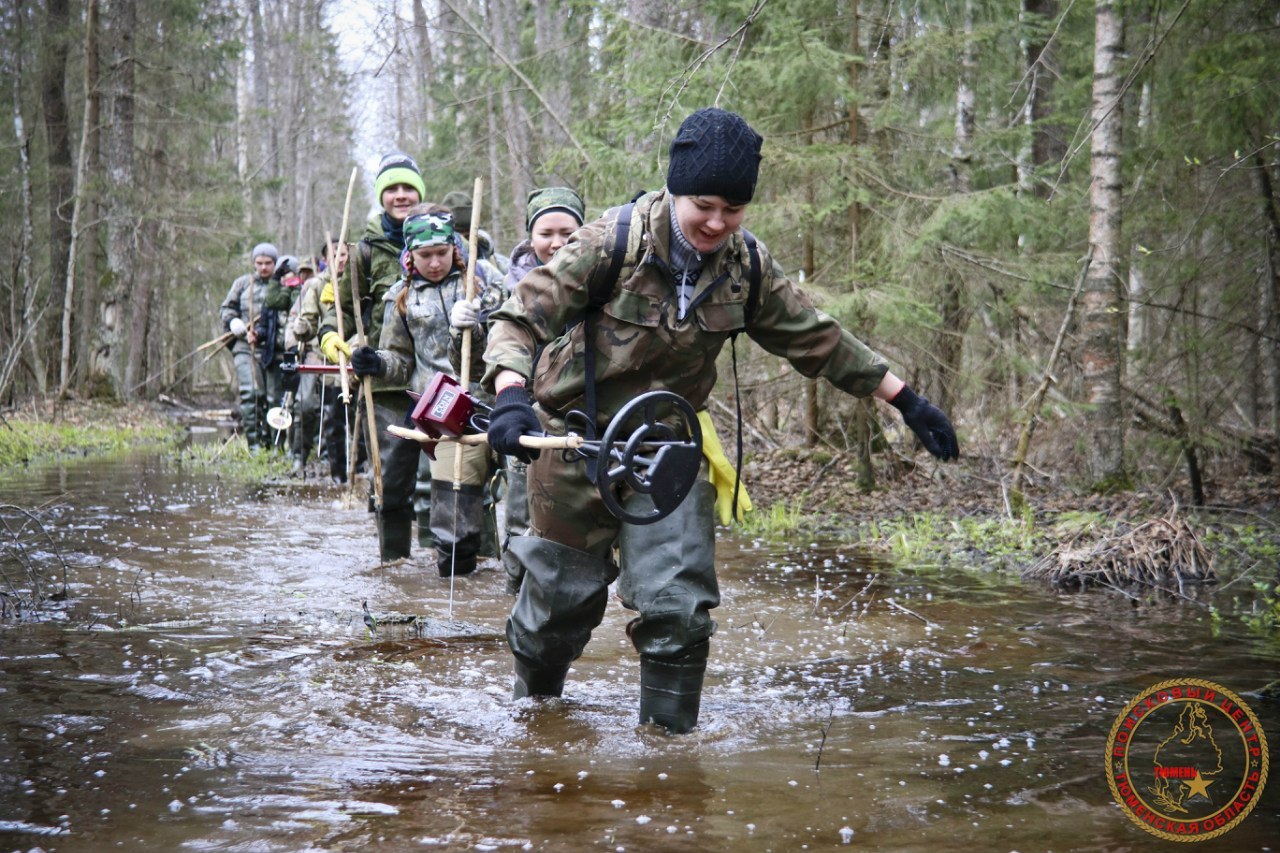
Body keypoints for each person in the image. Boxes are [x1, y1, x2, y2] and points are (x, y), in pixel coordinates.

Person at [481, 108, 960, 734]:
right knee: (554, 614)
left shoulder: (747, 266)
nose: (716, 222)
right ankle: (536, 731)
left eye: (732, 210)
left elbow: (815, 338)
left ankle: (671, 768)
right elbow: (519, 318)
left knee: (679, 612)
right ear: (676, 190)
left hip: (665, 452)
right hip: (574, 444)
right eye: (703, 205)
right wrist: (513, 395)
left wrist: (906, 400)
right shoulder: (608, 244)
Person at [348, 205, 504, 575]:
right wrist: (376, 362)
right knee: (453, 511)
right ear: (410, 255)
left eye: (441, 253)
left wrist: (478, 322)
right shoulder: (399, 297)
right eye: (425, 255)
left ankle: (503, 577)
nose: (434, 263)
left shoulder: (486, 283)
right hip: (442, 413)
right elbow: (401, 361)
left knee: (505, 501)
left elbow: (509, 342)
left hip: (489, 402)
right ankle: (460, 586)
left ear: (455, 248)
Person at [318, 151, 425, 556]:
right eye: (392, 189)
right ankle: (394, 567)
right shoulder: (363, 252)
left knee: (454, 479)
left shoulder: (445, 242)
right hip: (383, 384)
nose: (401, 196)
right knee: (392, 480)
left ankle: (458, 570)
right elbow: (337, 313)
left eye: (408, 188)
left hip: (441, 378)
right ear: (381, 196)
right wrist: (334, 342)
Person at [495, 186, 586, 594]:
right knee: (519, 515)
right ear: (530, 236)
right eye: (546, 232)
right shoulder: (509, 286)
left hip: (583, 421)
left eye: (567, 232)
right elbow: (487, 353)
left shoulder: (602, 282)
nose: (557, 243)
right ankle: (516, 598)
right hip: (525, 416)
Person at [220, 243, 289, 451]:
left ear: (275, 264)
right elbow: (226, 309)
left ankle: (275, 445)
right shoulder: (242, 284)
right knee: (251, 394)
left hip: (275, 350)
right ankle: (255, 445)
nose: (263, 268)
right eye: (259, 263)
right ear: (253, 263)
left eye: (268, 263)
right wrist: (234, 323)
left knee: (274, 398)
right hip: (244, 347)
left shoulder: (284, 284)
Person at [443, 190, 509, 274]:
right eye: (457, 236)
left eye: (467, 236)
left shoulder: (493, 260)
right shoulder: (438, 267)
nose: (463, 242)